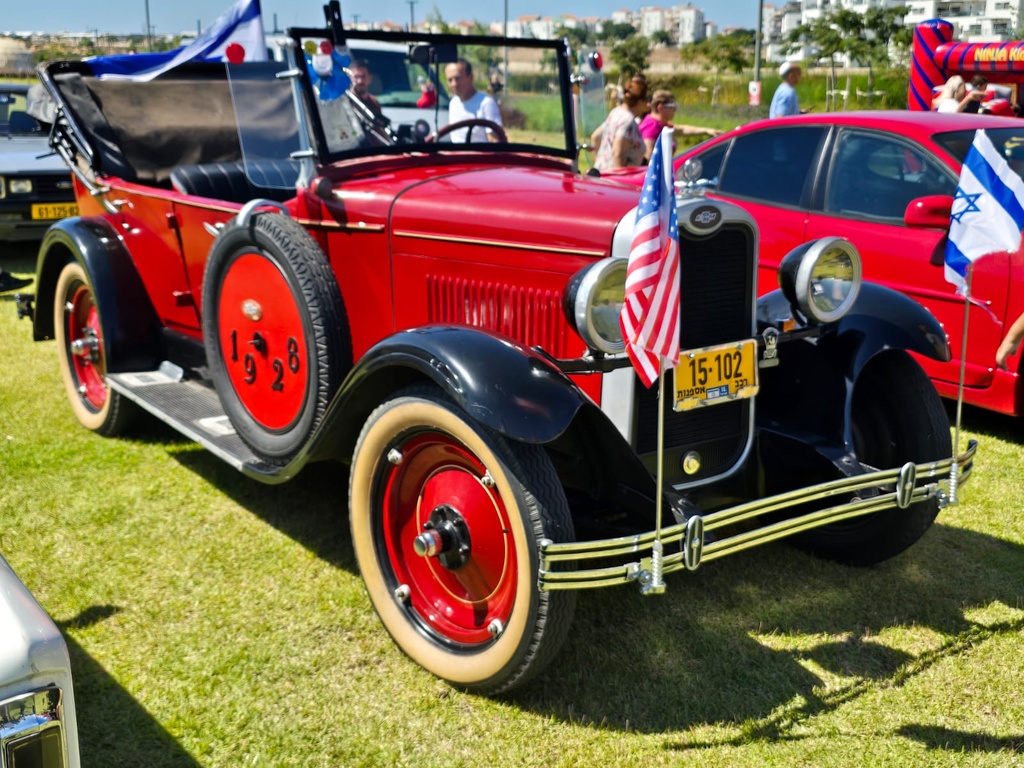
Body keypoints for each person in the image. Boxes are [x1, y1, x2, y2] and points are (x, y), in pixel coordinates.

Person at [591, 74, 648, 170]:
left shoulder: (615, 112)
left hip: (603, 173)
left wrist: (600, 162)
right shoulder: (628, 120)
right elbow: (618, 154)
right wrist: (619, 180)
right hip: (615, 180)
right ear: (639, 102)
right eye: (646, 100)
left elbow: (595, 137)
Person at [444, 58, 503, 143]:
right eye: (450, 80)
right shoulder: (453, 103)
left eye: (458, 78)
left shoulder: (486, 103)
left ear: (471, 77)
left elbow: (495, 141)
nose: (454, 84)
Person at [638, 89, 677, 163]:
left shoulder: (662, 124)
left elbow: (681, 130)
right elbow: (648, 156)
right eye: (672, 106)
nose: (674, 109)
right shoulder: (651, 126)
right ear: (660, 107)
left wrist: (704, 130)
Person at [347, 59, 386, 124]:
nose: (360, 81)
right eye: (356, 77)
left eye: (363, 77)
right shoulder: (346, 101)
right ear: (349, 78)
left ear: (370, 79)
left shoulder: (374, 102)